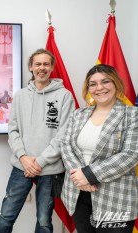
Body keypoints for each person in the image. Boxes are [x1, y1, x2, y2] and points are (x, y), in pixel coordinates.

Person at [0, 48, 75, 233]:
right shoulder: (20, 95)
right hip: (22, 166)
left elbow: (64, 135)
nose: (42, 68)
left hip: (50, 169)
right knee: (6, 216)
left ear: (52, 67)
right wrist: (23, 157)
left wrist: (40, 161)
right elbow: (12, 130)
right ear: (31, 67)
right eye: (38, 64)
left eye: (46, 64)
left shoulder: (64, 96)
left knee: (44, 221)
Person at [61, 64, 138, 233]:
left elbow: (131, 154)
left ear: (116, 83)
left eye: (105, 81)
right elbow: (66, 145)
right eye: (93, 84)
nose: (99, 88)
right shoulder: (78, 114)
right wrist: (79, 176)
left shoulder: (132, 115)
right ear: (88, 88)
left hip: (115, 198)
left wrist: (89, 175)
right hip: (78, 193)